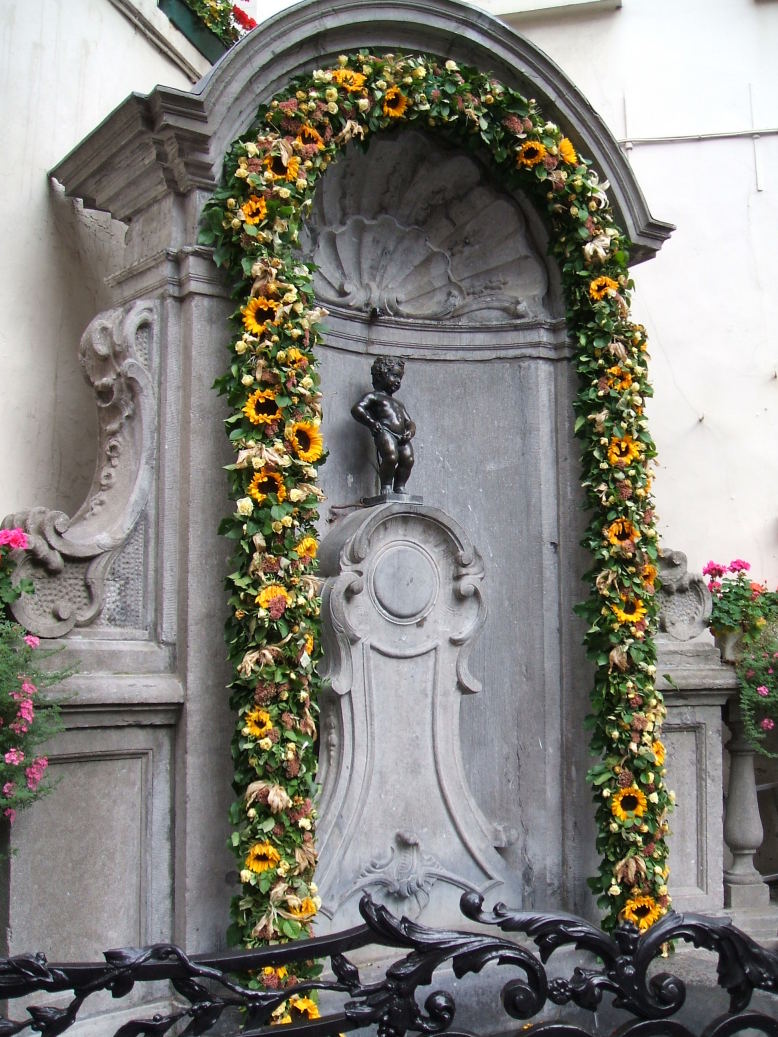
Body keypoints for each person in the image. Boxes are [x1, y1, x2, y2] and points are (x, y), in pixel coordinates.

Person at [351, 356, 415, 494]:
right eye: (395, 376)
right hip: (385, 431)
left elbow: (409, 421)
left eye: (400, 379)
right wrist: (371, 423)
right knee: (391, 457)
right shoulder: (374, 397)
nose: (398, 381)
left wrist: (410, 431)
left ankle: (399, 486)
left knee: (408, 459)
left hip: (402, 436)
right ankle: (386, 486)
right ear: (381, 375)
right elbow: (357, 409)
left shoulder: (399, 404)